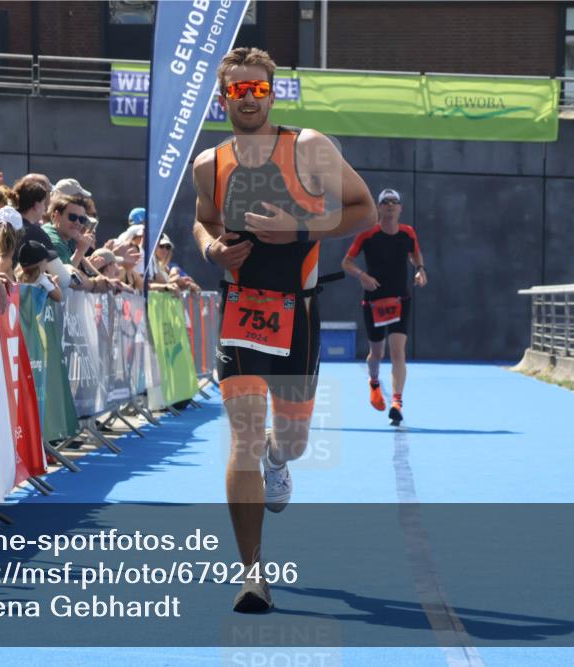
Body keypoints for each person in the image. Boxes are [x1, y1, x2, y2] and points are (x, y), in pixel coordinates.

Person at [191, 47, 376, 612]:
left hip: (299, 312)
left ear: (273, 93)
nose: (248, 100)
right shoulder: (208, 164)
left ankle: (280, 458)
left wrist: (299, 230)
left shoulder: (311, 148)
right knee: (242, 438)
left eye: (258, 90)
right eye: (236, 91)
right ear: (223, 97)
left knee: (289, 441)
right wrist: (211, 250)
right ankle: (252, 573)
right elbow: (203, 221)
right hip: (241, 312)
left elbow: (363, 209)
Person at [342, 188, 427, 426]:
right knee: (377, 354)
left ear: (400, 208)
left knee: (398, 350)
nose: (390, 206)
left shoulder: (408, 233)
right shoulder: (367, 234)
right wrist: (362, 276)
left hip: (400, 299)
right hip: (374, 302)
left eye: (394, 202)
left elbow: (416, 255)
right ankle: (374, 381)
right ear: (378, 208)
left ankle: (397, 402)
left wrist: (420, 270)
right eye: (385, 202)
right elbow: (346, 262)